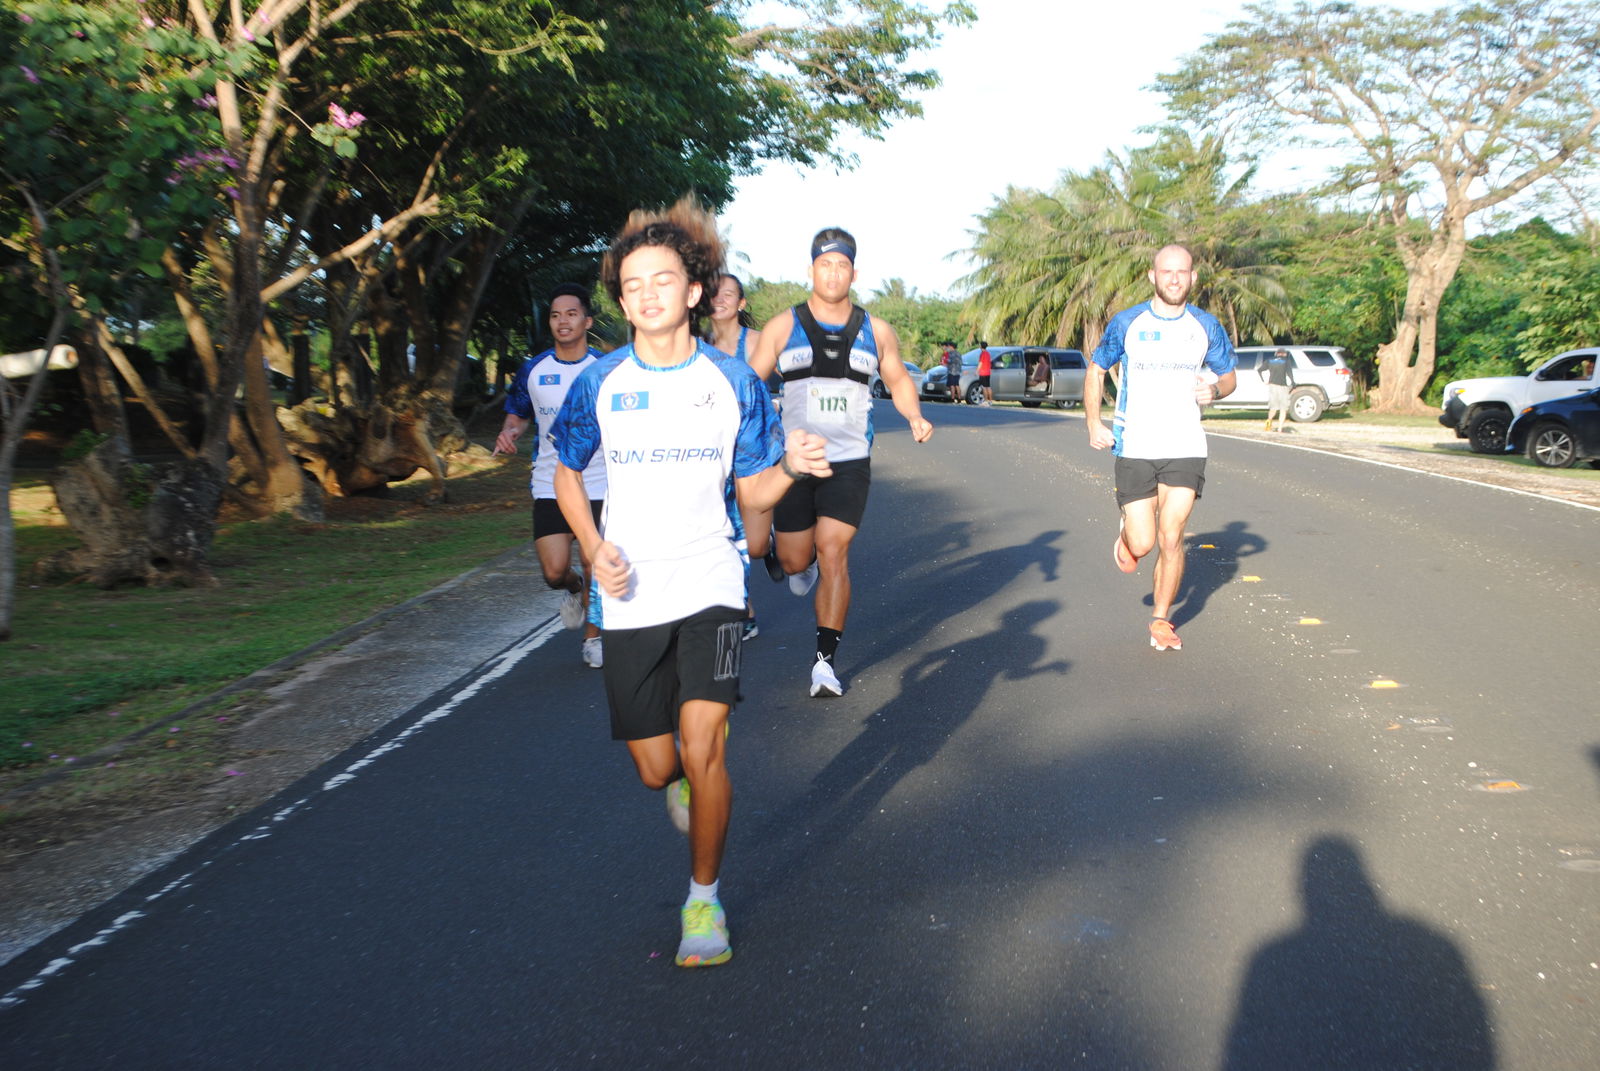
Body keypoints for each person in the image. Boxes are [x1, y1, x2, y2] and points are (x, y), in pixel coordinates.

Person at [550, 199, 831, 968]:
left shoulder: (733, 381)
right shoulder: (600, 381)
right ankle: (677, 783)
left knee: (706, 743)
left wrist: (792, 470)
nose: (646, 294)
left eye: (662, 279)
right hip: (631, 591)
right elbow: (566, 473)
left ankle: (703, 900)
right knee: (655, 765)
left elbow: (753, 494)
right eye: (632, 284)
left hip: (712, 581)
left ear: (695, 291)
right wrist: (591, 543)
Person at [749, 227, 933, 697]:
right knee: (795, 561)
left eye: (842, 264)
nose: (833, 272)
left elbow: (898, 378)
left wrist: (913, 415)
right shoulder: (782, 327)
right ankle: (794, 559)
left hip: (849, 462)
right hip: (794, 464)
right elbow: (748, 385)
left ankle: (823, 664)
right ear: (811, 270)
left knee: (835, 551)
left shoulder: (876, 331)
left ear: (854, 272)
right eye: (825, 264)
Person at [1083, 244, 1237, 652]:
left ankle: (1160, 619)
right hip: (1135, 444)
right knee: (1144, 543)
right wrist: (1093, 422)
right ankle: (1128, 535)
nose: (1174, 279)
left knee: (1172, 537)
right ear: (1152, 276)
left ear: (1193, 278)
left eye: (1181, 272)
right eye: (1166, 272)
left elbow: (1229, 377)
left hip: (1186, 444)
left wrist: (1215, 390)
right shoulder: (1127, 322)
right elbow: (1097, 369)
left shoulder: (1205, 326)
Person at [493, 283, 607, 668]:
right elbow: (517, 416)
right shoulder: (534, 369)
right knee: (554, 570)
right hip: (550, 483)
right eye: (556, 315)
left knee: (595, 562)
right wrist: (509, 433)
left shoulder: (605, 369)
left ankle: (593, 638)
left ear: (587, 321)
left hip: (600, 482)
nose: (563, 321)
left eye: (571, 313)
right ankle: (572, 588)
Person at [704, 272, 769, 640]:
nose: (721, 299)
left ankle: (772, 541)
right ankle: (742, 609)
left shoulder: (759, 342)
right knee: (725, 533)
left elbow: (794, 380)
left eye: (729, 294)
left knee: (756, 545)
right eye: (715, 293)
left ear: (741, 303)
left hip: (756, 447)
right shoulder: (694, 346)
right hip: (713, 452)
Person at [1262, 347, 1295, 432]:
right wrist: (1293, 383)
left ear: (1276, 353)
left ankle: (1268, 425)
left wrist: (1264, 380)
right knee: (1283, 409)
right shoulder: (1286, 361)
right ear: (1284, 354)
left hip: (1272, 386)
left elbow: (1260, 370)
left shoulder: (1270, 360)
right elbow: (1289, 372)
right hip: (1283, 386)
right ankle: (1280, 428)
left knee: (1273, 408)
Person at [976, 341, 993, 406]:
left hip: (983, 373)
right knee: (988, 387)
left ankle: (986, 401)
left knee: (984, 387)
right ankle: (990, 401)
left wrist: (977, 370)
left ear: (981, 346)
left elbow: (980, 363)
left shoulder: (982, 354)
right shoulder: (988, 353)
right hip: (988, 373)